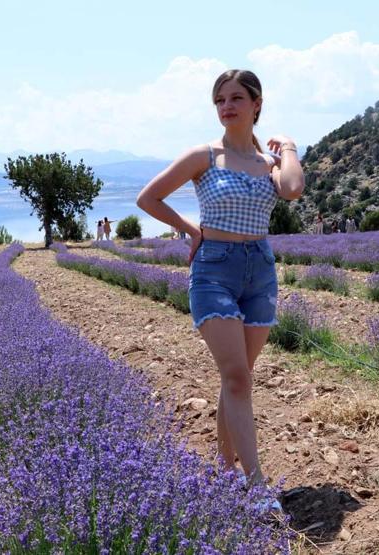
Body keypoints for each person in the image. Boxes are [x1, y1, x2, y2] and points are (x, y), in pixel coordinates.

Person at [136, 69, 305, 504]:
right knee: (235, 377)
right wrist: (191, 230)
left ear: (256, 104)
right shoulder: (204, 156)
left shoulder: (269, 164)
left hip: (260, 271)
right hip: (213, 270)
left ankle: (223, 469)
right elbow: (148, 198)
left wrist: (287, 147)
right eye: (219, 100)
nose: (226, 106)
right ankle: (255, 486)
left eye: (235, 98)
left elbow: (291, 189)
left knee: (239, 379)